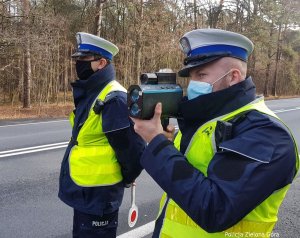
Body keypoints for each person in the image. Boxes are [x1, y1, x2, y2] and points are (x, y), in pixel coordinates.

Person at [132, 29, 299, 238]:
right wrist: (166, 143)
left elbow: (215, 209)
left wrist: (157, 144)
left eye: (201, 74)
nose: (193, 84)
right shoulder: (204, 121)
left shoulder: (268, 134)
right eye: (191, 76)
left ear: (233, 77)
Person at [58, 32, 145, 238]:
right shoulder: (93, 92)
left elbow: (133, 151)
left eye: (83, 59)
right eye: (77, 59)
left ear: (102, 63)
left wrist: (126, 178)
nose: (78, 63)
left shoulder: (114, 98)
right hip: (85, 191)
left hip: (100, 195)